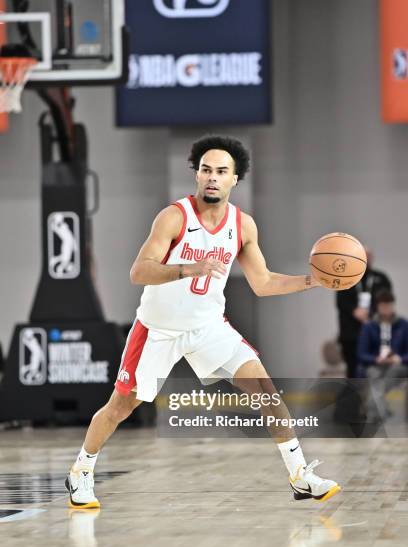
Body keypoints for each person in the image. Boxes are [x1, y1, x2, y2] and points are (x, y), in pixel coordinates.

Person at [65, 135, 340, 509]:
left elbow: (263, 282)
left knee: (266, 391)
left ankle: (300, 476)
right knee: (121, 407)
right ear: (196, 175)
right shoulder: (174, 217)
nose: (212, 177)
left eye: (221, 171)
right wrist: (186, 268)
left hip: (208, 327)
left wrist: (312, 280)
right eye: (206, 170)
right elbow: (138, 271)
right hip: (158, 329)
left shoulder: (242, 227)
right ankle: (81, 470)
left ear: (234, 179)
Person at [336, 249, 392, 378]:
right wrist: (354, 311)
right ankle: (353, 396)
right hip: (351, 333)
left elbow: (387, 299)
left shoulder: (380, 278)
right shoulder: (345, 279)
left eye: (368, 256)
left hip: (375, 330)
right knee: (353, 369)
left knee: (376, 369)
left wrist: (371, 312)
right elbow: (341, 301)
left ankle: (375, 396)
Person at [357, 289, 408, 420]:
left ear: (393, 305)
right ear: (377, 307)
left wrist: (399, 358)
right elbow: (361, 353)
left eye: (388, 306)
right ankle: (381, 410)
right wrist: (375, 359)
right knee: (373, 373)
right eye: (383, 306)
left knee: (390, 373)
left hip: (397, 366)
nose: (386, 309)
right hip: (375, 365)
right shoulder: (369, 326)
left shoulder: (403, 325)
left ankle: (374, 411)